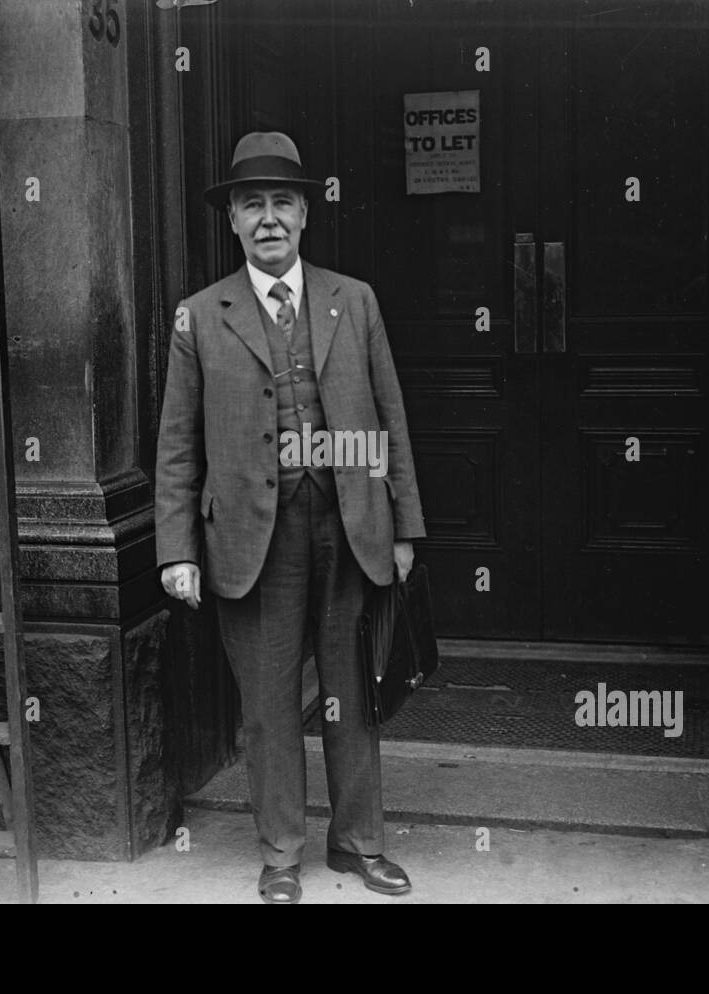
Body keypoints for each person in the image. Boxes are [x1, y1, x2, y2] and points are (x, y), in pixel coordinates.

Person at [155, 132, 426, 904]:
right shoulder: (200, 317)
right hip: (251, 537)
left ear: (305, 214)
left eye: (281, 203)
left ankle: (360, 844)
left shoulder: (355, 299)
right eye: (252, 205)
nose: (268, 219)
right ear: (232, 222)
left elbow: (391, 422)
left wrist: (404, 528)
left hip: (350, 527)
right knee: (270, 706)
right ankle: (280, 853)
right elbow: (175, 444)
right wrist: (176, 548)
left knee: (353, 694)